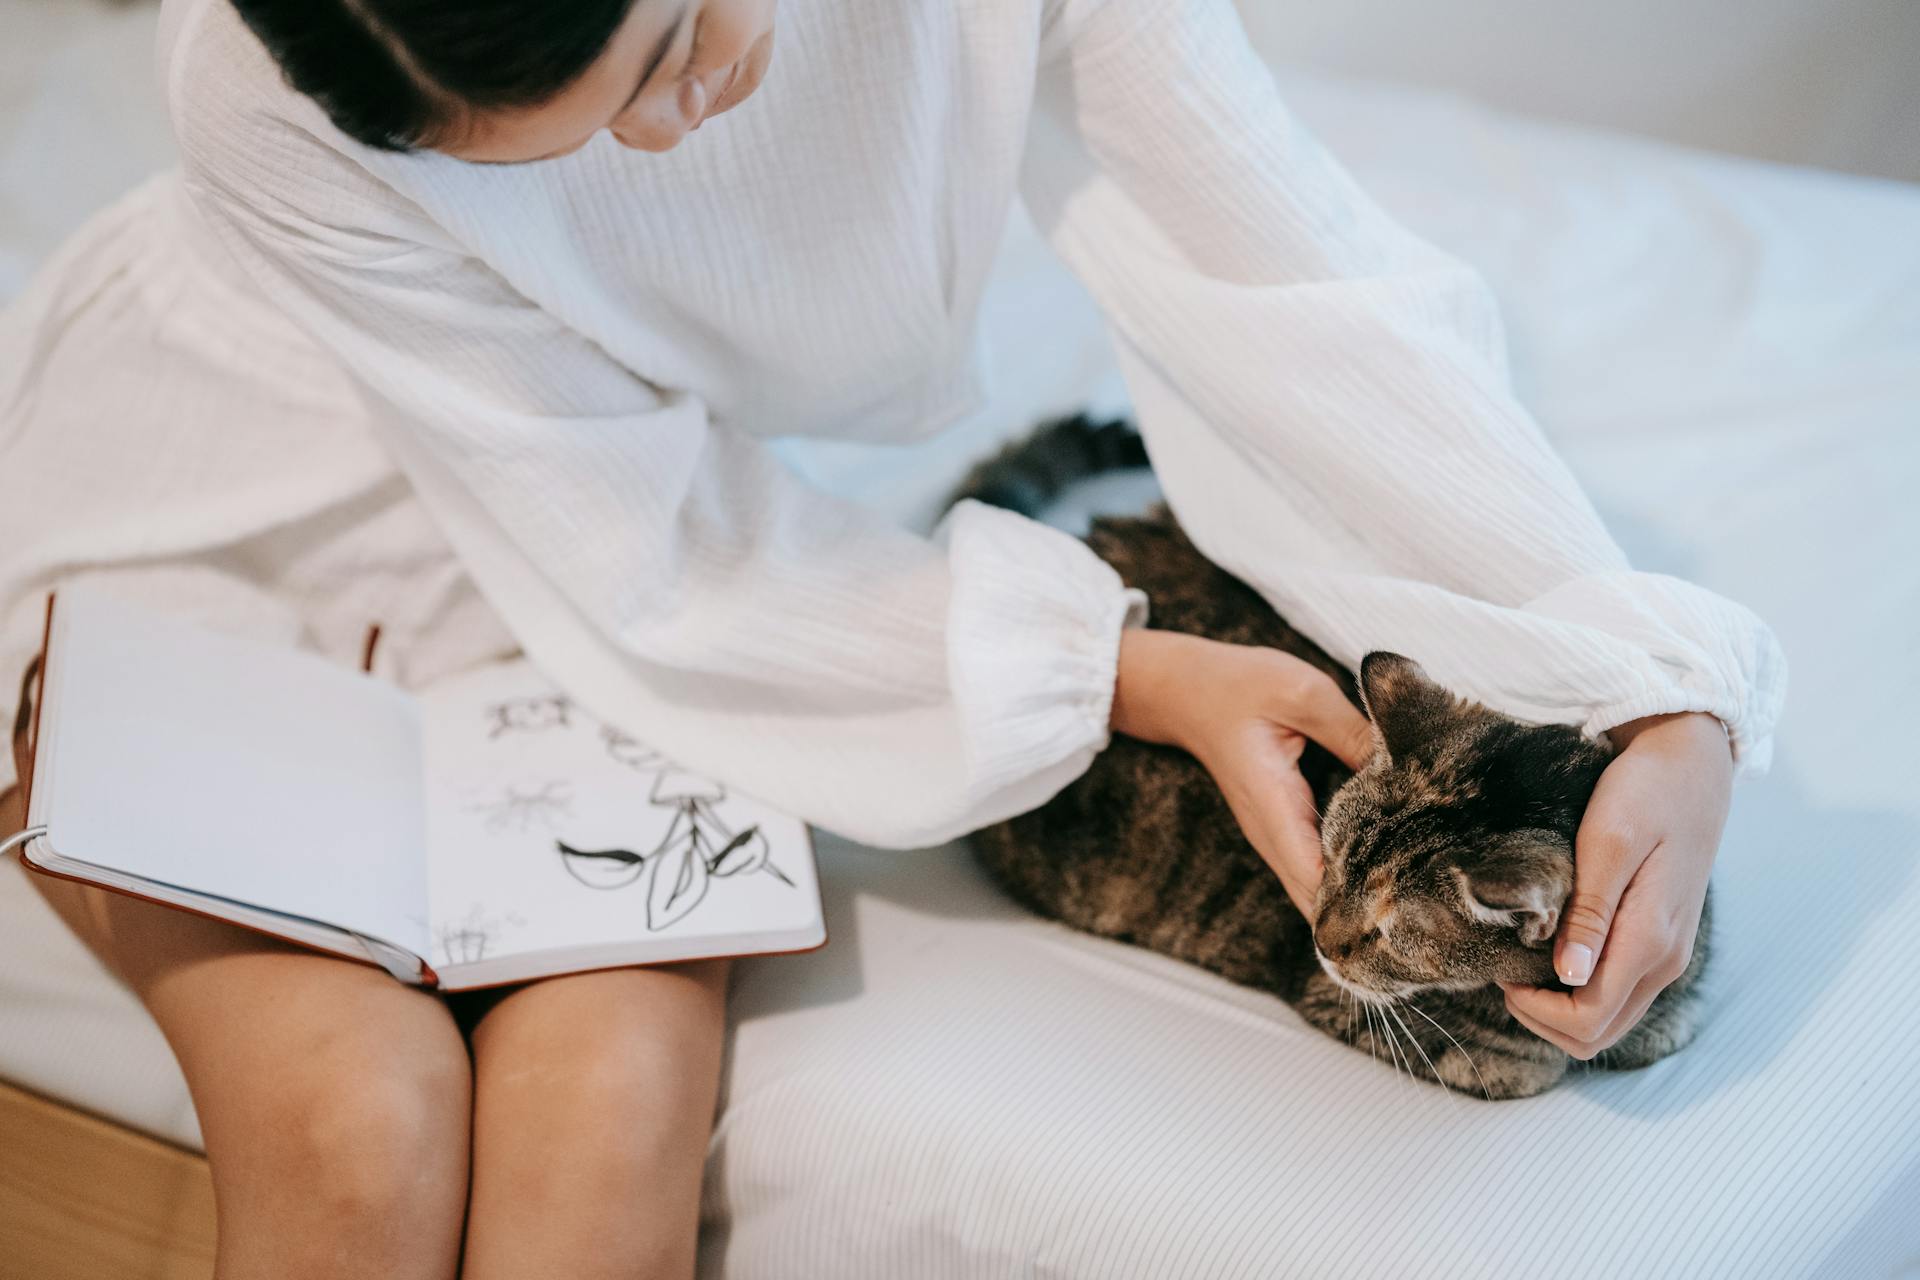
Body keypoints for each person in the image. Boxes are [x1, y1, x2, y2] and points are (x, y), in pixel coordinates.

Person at [0, 0, 1784, 1273]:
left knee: (608, 1131)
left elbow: (1286, 277)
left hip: (623, 624)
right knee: (356, 1130)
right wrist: (1114, 661)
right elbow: (648, 544)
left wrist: (1647, 685)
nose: (664, 133)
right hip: (258, 555)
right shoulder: (264, 92)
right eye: (573, 139)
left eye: (665, 47)